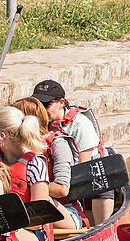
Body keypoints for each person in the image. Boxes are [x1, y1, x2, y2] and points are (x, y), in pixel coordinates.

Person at [31, 79, 114, 223]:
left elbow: (82, 167)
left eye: (47, 105)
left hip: (88, 173)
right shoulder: (38, 122)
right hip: (59, 173)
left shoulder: (80, 124)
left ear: (61, 102)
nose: (42, 109)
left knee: (100, 182)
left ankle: (101, 225)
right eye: (39, 105)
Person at [12, 97, 87, 230]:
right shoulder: (15, 148)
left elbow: (62, 189)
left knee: (40, 197)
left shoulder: (57, 143)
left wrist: (30, 188)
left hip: (67, 213)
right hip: (26, 209)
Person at [0, 106, 53, 241]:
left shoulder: (35, 163)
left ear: (2, 135)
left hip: (31, 230)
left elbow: (38, 217)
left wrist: (4, 225)